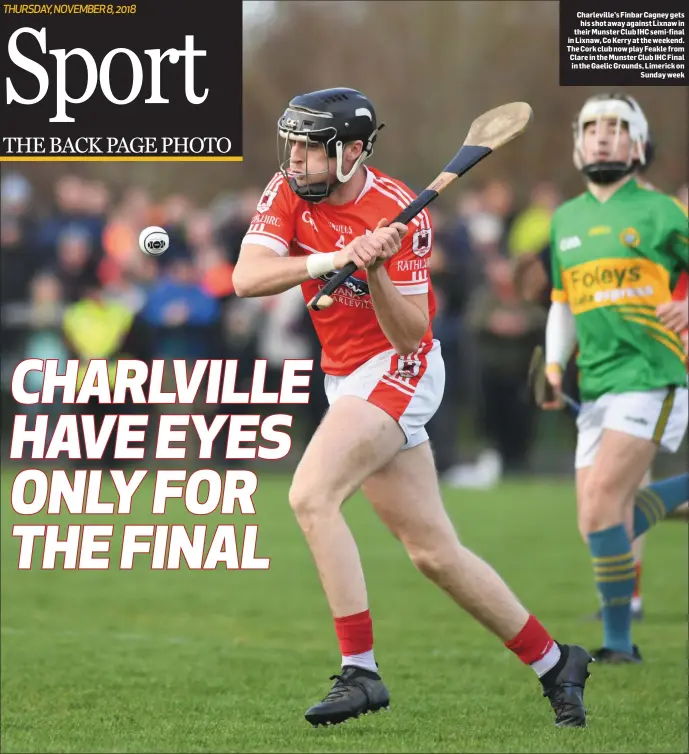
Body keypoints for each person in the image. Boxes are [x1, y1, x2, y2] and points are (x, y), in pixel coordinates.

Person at [232, 87, 592, 729]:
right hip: (342, 375)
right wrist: (334, 256)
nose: (294, 160)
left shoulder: (402, 212)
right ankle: (556, 661)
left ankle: (360, 672)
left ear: (348, 153)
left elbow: (410, 333)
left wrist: (374, 268)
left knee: (310, 497)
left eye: (308, 150)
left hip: (400, 367)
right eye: (291, 146)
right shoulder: (288, 190)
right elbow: (247, 276)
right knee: (433, 552)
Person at [542, 93, 689, 664]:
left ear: (638, 143)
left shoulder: (660, 211)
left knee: (606, 500)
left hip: (652, 373)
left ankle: (618, 646)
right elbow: (562, 303)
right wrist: (556, 364)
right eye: (592, 127)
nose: (602, 137)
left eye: (616, 128)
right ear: (578, 141)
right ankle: (622, 643)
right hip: (597, 383)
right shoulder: (565, 219)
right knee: (596, 520)